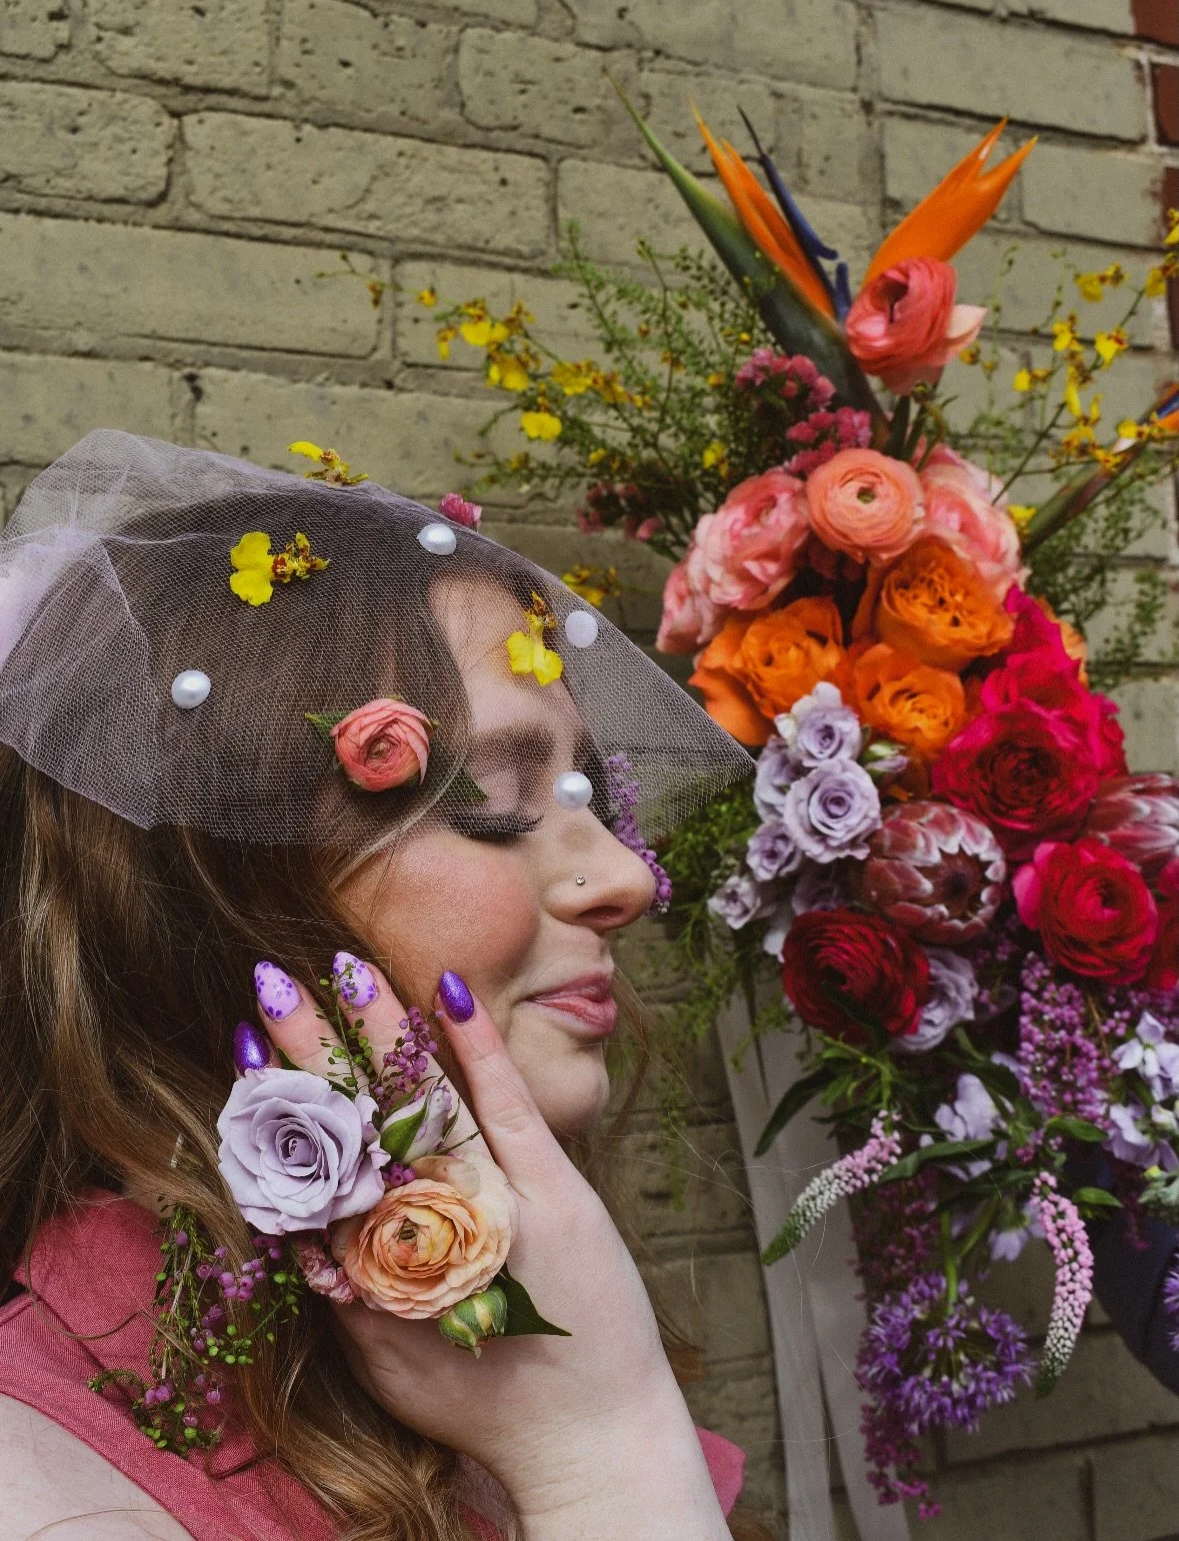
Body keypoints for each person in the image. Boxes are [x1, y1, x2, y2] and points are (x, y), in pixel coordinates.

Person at [0, 432, 756, 1540]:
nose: (627, 877)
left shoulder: (484, 1353)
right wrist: (602, 1457)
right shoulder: (53, 1492)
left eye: (590, 789)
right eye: (496, 802)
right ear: (218, 883)